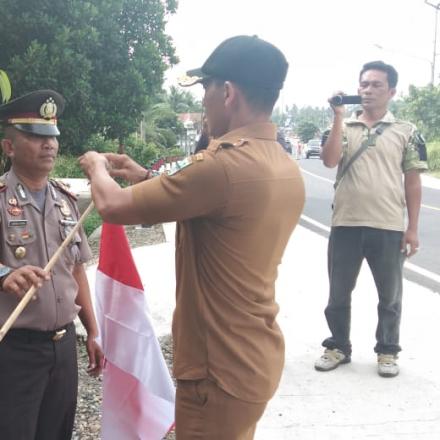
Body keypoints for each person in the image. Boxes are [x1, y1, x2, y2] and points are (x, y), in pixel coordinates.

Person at [79, 35, 305, 439]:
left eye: (206, 88)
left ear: (229, 93)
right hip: (253, 355)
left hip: (217, 369)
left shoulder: (221, 167)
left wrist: (96, 166)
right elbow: (213, 203)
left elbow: (112, 206)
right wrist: (146, 177)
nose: (203, 101)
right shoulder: (281, 165)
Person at [0, 89, 103, 439]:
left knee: (56, 433)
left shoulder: (65, 201)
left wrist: (92, 330)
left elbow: (76, 271)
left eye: (52, 136)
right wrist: (4, 274)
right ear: (9, 147)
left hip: (62, 348)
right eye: (34, 136)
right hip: (14, 351)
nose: (48, 145)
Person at [315, 61, 428, 378]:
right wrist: (337, 118)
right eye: (363, 84)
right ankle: (338, 346)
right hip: (346, 225)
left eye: (376, 85)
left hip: (389, 226)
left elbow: (413, 181)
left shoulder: (406, 132)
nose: (367, 90)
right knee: (338, 293)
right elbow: (329, 160)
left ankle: (388, 351)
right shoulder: (343, 126)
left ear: (391, 91)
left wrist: (413, 229)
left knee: (390, 296)